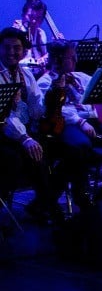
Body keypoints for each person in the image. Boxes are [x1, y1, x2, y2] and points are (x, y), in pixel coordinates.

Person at [36, 39, 102, 208]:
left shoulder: (79, 77)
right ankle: (81, 195)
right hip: (66, 124)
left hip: (91, 120)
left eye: (75, 57)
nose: (75, 61)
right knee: (79, 147)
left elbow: (99, 87)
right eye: (70, 57)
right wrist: (80, 121)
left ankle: (45, 200)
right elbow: (53, 108)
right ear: (58, 59)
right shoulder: (45, 82)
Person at [0, 27, 58, 219]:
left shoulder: (26, 75)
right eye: (6, 47)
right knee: (19, 159)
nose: (11, 52)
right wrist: (25, 138)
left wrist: (51, 99)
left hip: (22, 132)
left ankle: (44, 204)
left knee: (63, 150)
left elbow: (36, 108)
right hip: (4, 133)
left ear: (24, 51)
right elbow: (4, 116)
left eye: (16, 48)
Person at [13, 0, 59, 74]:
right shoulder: (16, 33)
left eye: (38, 18)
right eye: (30, 16)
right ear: (23, 14)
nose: (34, 21)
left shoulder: (41, 33)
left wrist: (55, 49)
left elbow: (44, 60)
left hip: (40, 75)